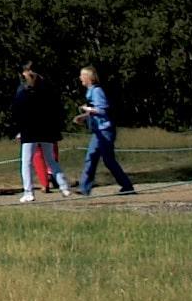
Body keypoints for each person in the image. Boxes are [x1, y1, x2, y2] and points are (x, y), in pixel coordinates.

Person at [75, 68, 136, 196]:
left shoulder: (97, 91)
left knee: (107, 160)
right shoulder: (90, 92)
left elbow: (102, 110)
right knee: (91, 157)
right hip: (98, 131)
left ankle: (127, 186)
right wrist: (84, 116)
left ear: (89, 78)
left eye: (82, 76)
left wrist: (87, 109)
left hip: (105, 130)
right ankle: (84, 188)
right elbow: (95, 111)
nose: (80, 78)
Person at [8, 63, 62, 204]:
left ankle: (31, 190)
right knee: (49, 158)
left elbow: (17, 111)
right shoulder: (48, 88)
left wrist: (17, 129)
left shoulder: (24, 91)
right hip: (46, 130)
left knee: (30, 161)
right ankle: (61, 185)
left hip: (31, 132)